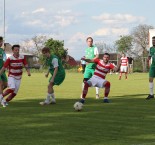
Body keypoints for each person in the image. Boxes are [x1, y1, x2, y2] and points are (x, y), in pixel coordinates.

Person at [0, 36, 8, 106]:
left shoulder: (2, 51)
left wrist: (6, 66)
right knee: (1, 84)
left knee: (5, 85)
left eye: (1, 41)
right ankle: (2, 100)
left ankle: (0, 96)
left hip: (2, 70)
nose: (1, 43)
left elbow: (3, 60)